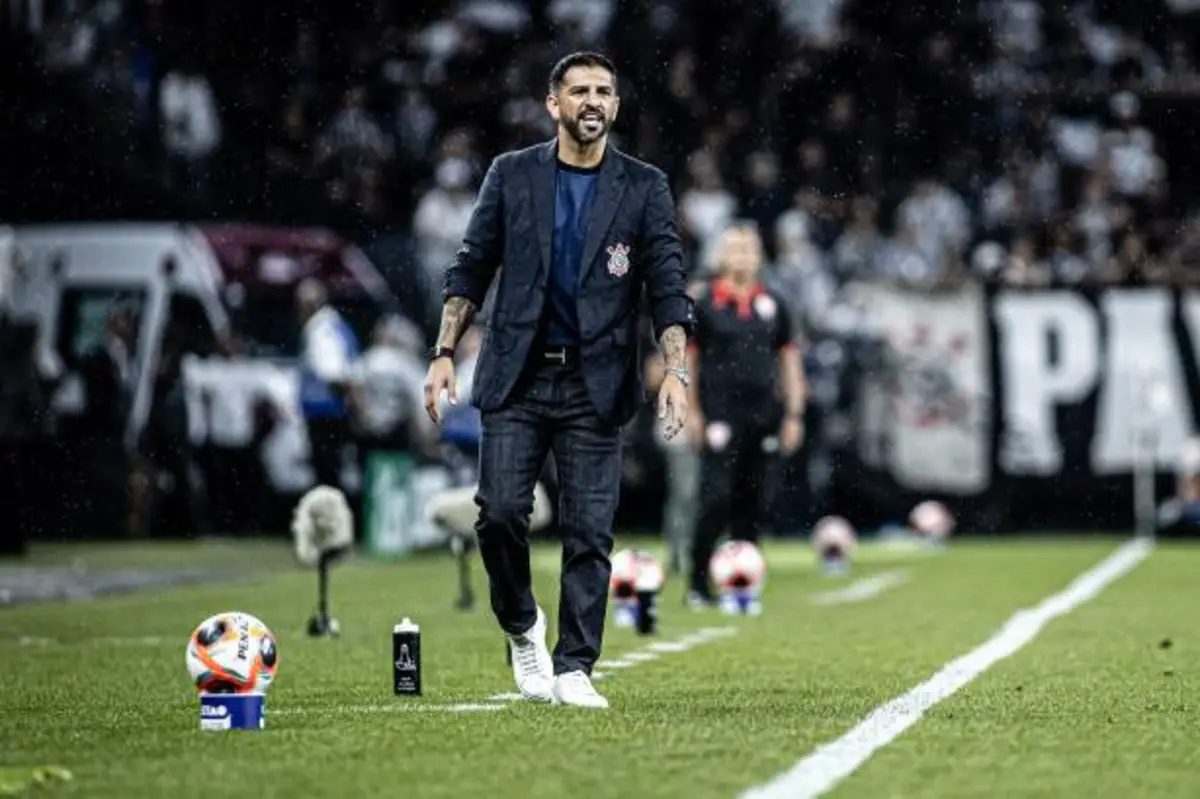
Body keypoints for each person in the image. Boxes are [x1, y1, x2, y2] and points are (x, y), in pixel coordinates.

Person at [423, 51, 694, 709]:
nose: (593, 101)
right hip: (515, 376)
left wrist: (676, 370)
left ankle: (575, 666)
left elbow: (667, 284)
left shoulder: (643, 185)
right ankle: (523, 625)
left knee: (590, 530)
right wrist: (443, 351)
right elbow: (471, 266)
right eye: (580, 91)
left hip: (596, 384)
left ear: (617, 105)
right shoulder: (511, 175)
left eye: (605, 90)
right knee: (500, 515)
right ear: (554, 104)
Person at [685, 222, 807, 607]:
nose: (743, 257)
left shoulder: (775, 303)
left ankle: (742, 583)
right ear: (722, 256)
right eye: (736, 249)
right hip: (719, 415)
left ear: (759, 256)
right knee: (715, 497)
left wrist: (794, 414)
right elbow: (688, 360)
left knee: (754, 501)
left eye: (750, 250)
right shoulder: (704, 301)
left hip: (763, 415)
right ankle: (698, 582)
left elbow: (789, 360)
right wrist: (691, 412)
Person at [295, 278, 360, 492]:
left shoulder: (320, 329)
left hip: (325, 412)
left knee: (326, 472)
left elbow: (333, 373)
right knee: (334, 469)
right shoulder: (336, 325)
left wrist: (352, 403)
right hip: (332, 410)